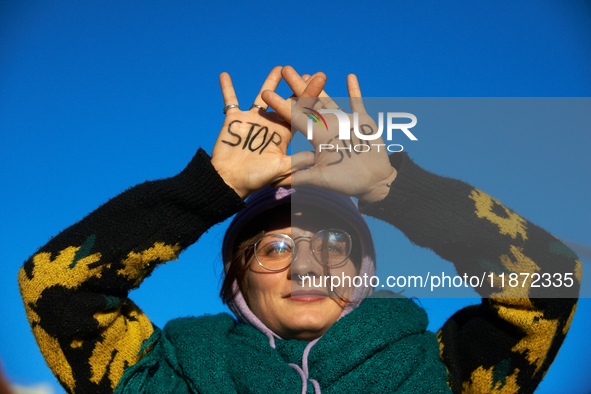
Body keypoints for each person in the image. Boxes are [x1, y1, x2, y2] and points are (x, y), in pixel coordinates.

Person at [18, 66, 581, 393]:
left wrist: (393, 188)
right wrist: (211, 187)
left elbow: (554, 278)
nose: (306, 266)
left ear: (362, 274)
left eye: (334, 245)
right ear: (237, 277)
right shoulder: (166, 375)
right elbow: (53, 286)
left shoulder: (449, 372)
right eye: (276, 247)